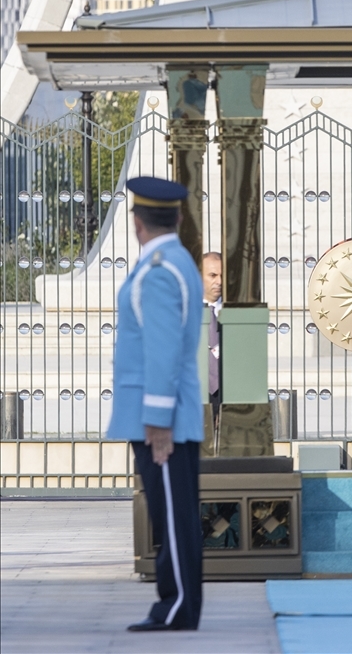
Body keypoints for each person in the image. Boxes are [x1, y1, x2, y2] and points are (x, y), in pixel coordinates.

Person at [106, 176, 204, 632]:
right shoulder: (173, 261)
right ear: (178, 218)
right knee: (170, 513)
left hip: (160, 419)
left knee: (172, 514)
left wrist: (158, 421)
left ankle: (178, 604)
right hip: (159, 415)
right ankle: (175, 602)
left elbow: (163, 351)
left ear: (136, 222)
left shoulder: (160, 270)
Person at [201, 252, 222, 445]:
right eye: (213, 275)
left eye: (223, 276)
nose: (219, 281)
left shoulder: (235, 311)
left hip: (228, 390)